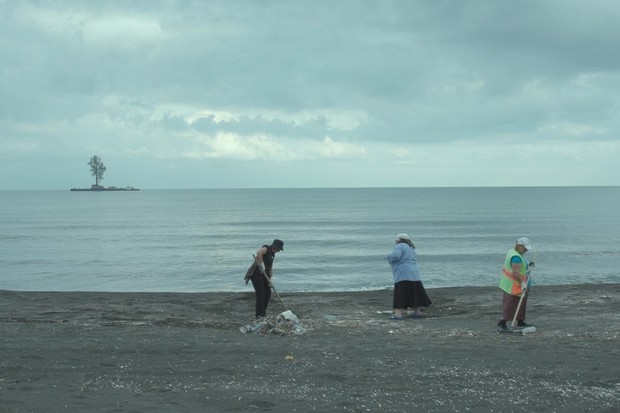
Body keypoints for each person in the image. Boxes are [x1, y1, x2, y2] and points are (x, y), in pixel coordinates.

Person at [385, 233, 432, 320]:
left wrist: (388, 257)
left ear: (398, 240)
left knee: (401, 292)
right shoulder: (411, 248)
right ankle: (417, 312)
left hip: (403, 273)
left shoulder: (400, 246)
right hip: (414, 273)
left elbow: (396, 256)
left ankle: (398, 314)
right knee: (413, 292)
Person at [498, 237, 535, 331]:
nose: (526, 250)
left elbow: (522, 264)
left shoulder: (513, 252)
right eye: (525, 248)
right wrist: (522, 283)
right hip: (514, 284)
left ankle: (520, 321)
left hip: (517, 283)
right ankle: (503, 322)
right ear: (519, 246)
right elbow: (516, 272)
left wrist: (528, 264)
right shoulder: (516, 257)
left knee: (521, 302)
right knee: (511, 303)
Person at [245, 239, 284, 320]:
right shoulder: (266, 248)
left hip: (264, 274)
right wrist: (261, 265)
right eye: (279, 249)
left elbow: (270, 268)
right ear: (275, 247)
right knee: (261, 294)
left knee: (268, 293)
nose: (279, 251)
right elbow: (259, 252)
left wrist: (270, 280)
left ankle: (263, 311)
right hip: (255, 273)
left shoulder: (273, 254)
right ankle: (259, 315)